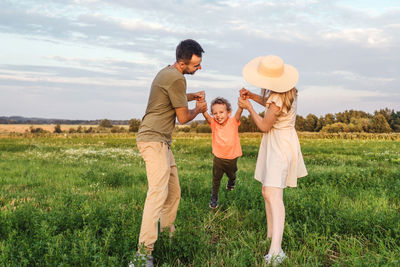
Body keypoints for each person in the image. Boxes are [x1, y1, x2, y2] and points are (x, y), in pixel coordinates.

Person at [132, 39, 207, 267]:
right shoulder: (177, 79)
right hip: (153, 140)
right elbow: (183, 118)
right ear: (183, 63)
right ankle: (143, 254)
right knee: (157, 194)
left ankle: (168, 238)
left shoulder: (168, 73)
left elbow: (172, 97)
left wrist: (192, 96)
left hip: (162, 141)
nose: (199, 68)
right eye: (196, 65)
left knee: (173, 192)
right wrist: (199, 109)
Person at [238, 55, 307, 265]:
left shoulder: (278, 97)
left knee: (273, 195)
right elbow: (271, 104)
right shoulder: (285, 92)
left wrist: (249, 108)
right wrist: (252, 96)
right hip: (279, 143)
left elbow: (265, 125)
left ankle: (276, 251)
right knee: (267, 191)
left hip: (280, 145)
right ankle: (270, 235)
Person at [201, 97, 243, 209]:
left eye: (221, 112)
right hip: (218, 158)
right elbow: (205, 115)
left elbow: (239, 112)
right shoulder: (214, 124)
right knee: (216, 180)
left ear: (228, 113)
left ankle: (232, 180)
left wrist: (242, 103)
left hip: (232, 158)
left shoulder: (233, 121)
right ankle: (214, 197)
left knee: (232, 173)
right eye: (215, 113)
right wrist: (201, 105)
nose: (218, 115)